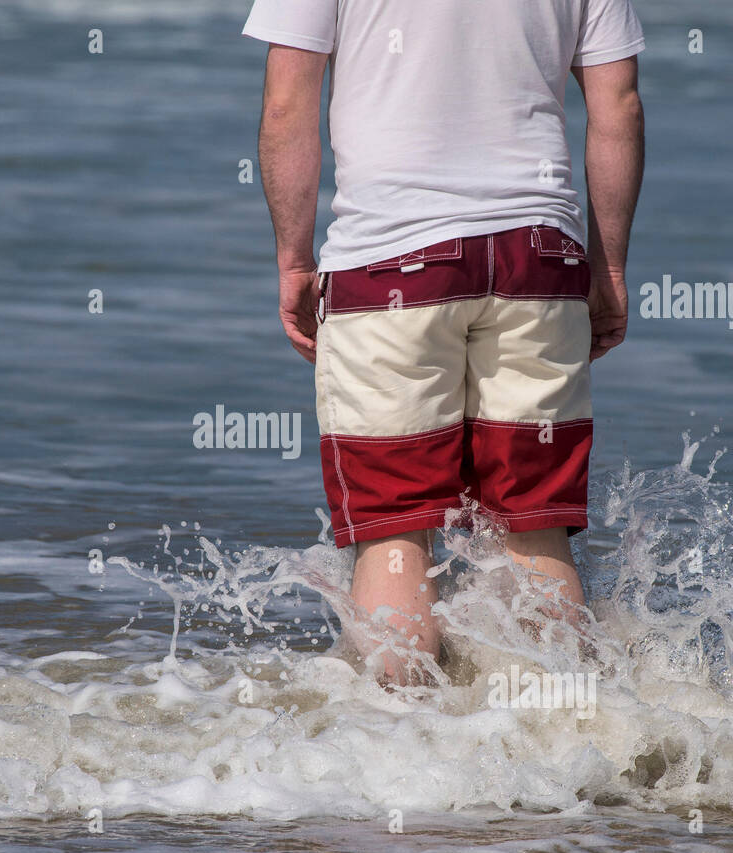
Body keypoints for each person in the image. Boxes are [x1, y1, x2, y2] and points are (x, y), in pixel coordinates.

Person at [243, 0, 646, 684]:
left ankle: (407, 756)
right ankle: (562, 751)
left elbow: (288, 106)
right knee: (533, 525)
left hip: (390, 257)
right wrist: (608, 268)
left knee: (394, 530)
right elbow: (620, 107)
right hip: (537, 257)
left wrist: (293, 261)